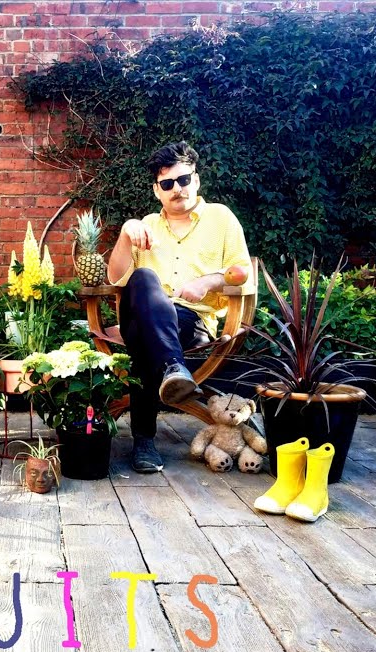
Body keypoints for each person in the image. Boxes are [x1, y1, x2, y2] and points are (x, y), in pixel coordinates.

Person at [106, 141, 256, 473]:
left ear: (196, 180)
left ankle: (144, 441)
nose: (177, 189)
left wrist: (208, 282)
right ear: (156, 190)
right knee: (143, 277)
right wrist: (126, 234)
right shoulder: (145, 225)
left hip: (191, 321)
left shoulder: (221, 218)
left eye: (184, 179)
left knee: (142, 339)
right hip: (143, 316)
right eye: (168, 183)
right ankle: (174, 367)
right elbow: (116, 279)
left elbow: (244, 276)